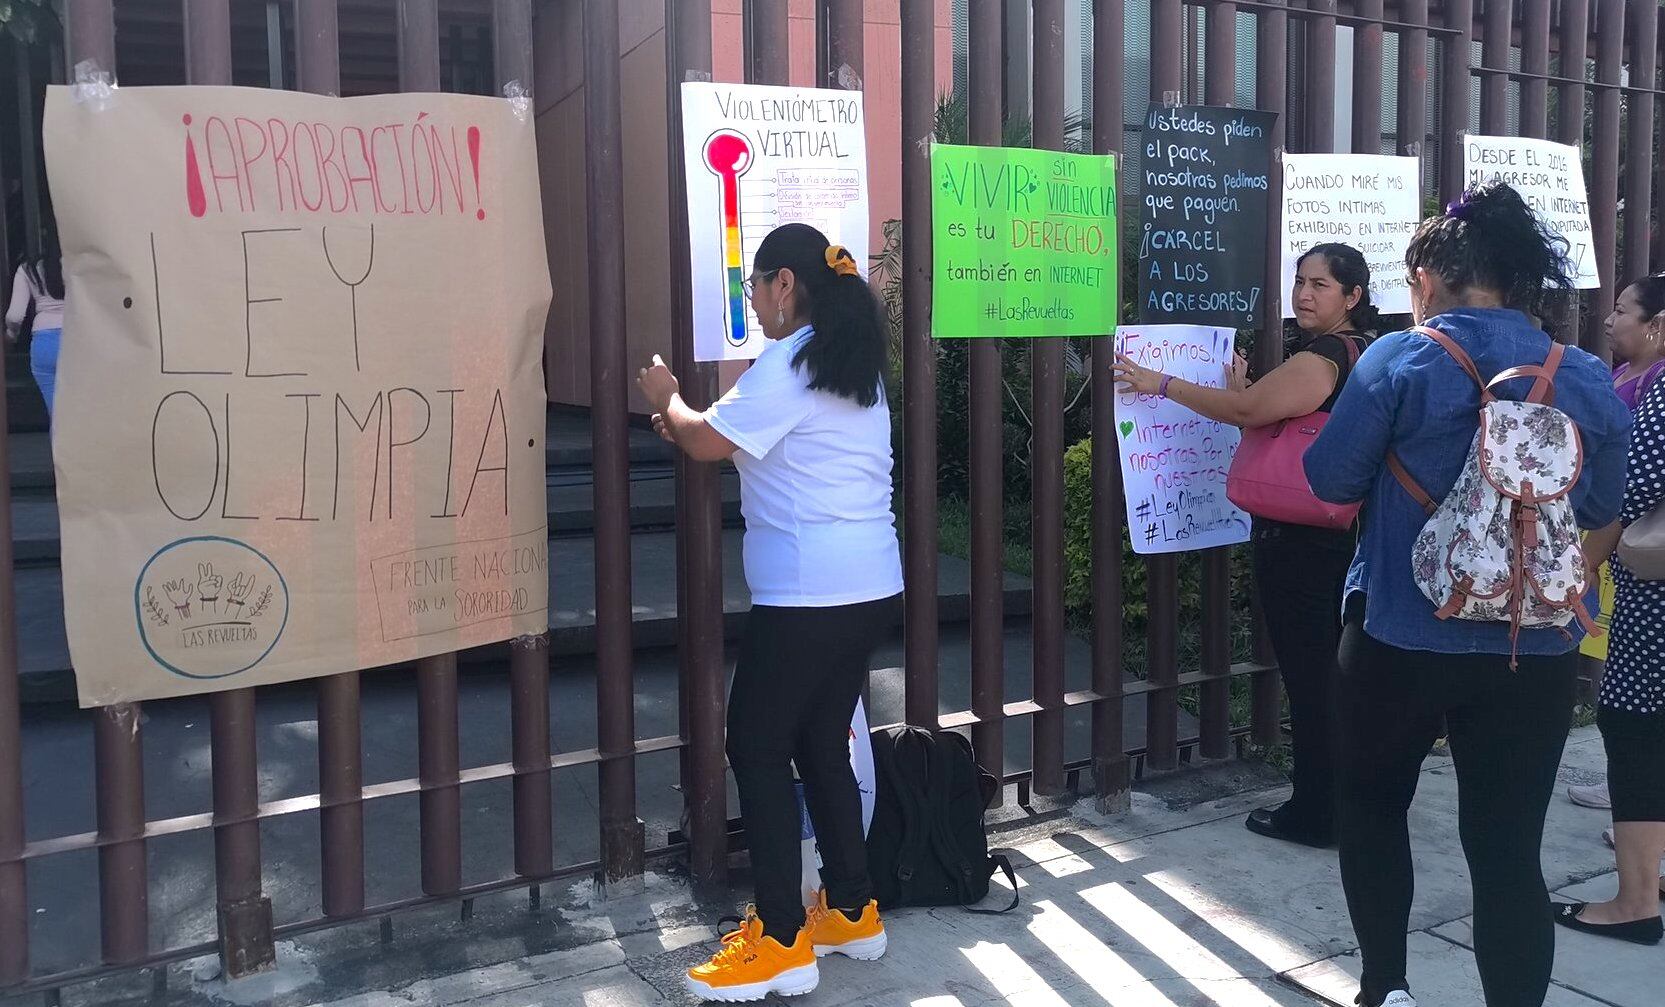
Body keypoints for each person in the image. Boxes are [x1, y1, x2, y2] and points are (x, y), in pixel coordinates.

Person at [1303, 181, 1632, 1007]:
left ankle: (1388, 990)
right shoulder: (1585, 375)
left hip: (1398, 634)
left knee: (1372, 808)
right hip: (1534, 646)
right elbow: (1599, 506)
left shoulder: (1400, 358)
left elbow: (1330, 478)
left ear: (1429, 277)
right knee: (1505, 849)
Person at [637, 222, 902, 1002]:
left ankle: (783, 938)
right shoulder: (849, 364)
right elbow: (730, 437)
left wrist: (668, 398)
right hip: (865, 587)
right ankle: (850, 911)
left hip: (808, 595)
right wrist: (690, 424)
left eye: (756, 285)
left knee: (751, 739)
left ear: (785, 284)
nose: (753, 301)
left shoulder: (790, 361)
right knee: (820, 737)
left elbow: (705, 439)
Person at [1112, 243, 1378, 848]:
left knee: (1313, 680)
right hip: (1334, 540)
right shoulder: (1356, 352)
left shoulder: (1328, 354)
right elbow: (1266, 413)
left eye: (1322, 285)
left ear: (1353, 297)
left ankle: (1318, 811)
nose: (1305, 294)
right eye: (1300, 281)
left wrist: (1160, 382)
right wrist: (1250, 397)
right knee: (1332, 677)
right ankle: (1345, 801)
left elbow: (1249, 409)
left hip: (1305, 545)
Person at [1560, 274, 1665, 945]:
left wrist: (1586, 559)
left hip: (1655, 605)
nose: (1609, 318)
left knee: (1633, 731)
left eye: (1624, 309)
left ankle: (1634, 902)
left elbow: (1634, 485)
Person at [4, 234, 66, 418]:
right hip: (78, 340)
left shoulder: (28, 269)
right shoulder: (80, 267)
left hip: (44, 343)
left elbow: (15, 316)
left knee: (57, 417)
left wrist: (11, 335)